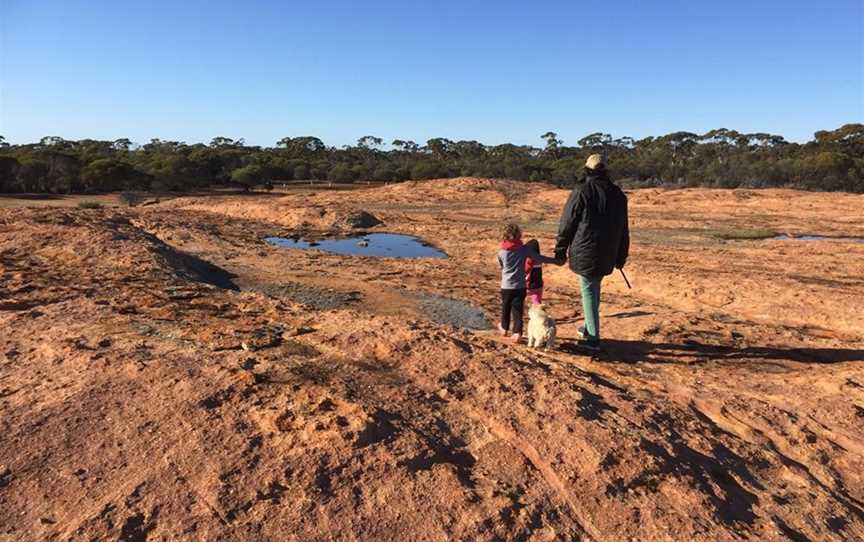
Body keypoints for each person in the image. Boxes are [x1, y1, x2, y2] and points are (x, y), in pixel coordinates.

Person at [554, 154, 629, 351]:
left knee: (588, 291)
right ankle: (588, 327)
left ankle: (593, 339)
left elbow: (567, 223)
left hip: (586, 252)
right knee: (594, 289)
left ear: (587, 169)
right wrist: (621, 256)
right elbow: (624, 229)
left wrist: (560, 250)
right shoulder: (618, 194)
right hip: (608, 252)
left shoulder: (582, 190)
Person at [498, 224, 561, 343]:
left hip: (506, 285)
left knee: (505, 307)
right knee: (517, 309)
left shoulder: (501, 252)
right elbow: (540, 258)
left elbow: (502, 266)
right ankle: (517, 333)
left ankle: (504, 328)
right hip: (521, 285)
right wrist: (556, 261)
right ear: (519, 234)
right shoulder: (524, 249)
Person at [524, 239, 545, 305]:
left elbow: (526, 270)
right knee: (537, 303)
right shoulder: (540, 259)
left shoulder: (528, 259)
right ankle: (537, 313)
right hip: (538, 285)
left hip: (529, 285)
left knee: (519, 301)